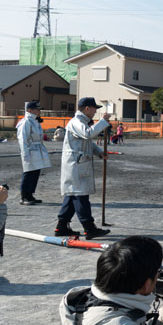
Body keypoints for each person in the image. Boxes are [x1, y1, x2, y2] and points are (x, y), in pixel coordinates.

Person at [57, 98, 111, 239]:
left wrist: (98, 151)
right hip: (76, 165)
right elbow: (88, 134)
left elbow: (88, 142)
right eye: (94, 109)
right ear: (87, 108)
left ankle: (61, 226)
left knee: (71, 196)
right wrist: (103, 122)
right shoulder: (76, 122)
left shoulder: (81, 123)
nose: (95, 112)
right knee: (81, 196)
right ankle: (89, 228)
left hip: (78, 164)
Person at [17, 101, 51, 206]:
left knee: (35, 173)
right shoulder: (26, 122)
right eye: (37, 109)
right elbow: (23, 139)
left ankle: (30, 194)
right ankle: (24, 196)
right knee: (28, 173)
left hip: (37, 149)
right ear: (29, 110)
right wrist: (25, 153)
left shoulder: (35, 121)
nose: (39, 111)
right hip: (30, 149)